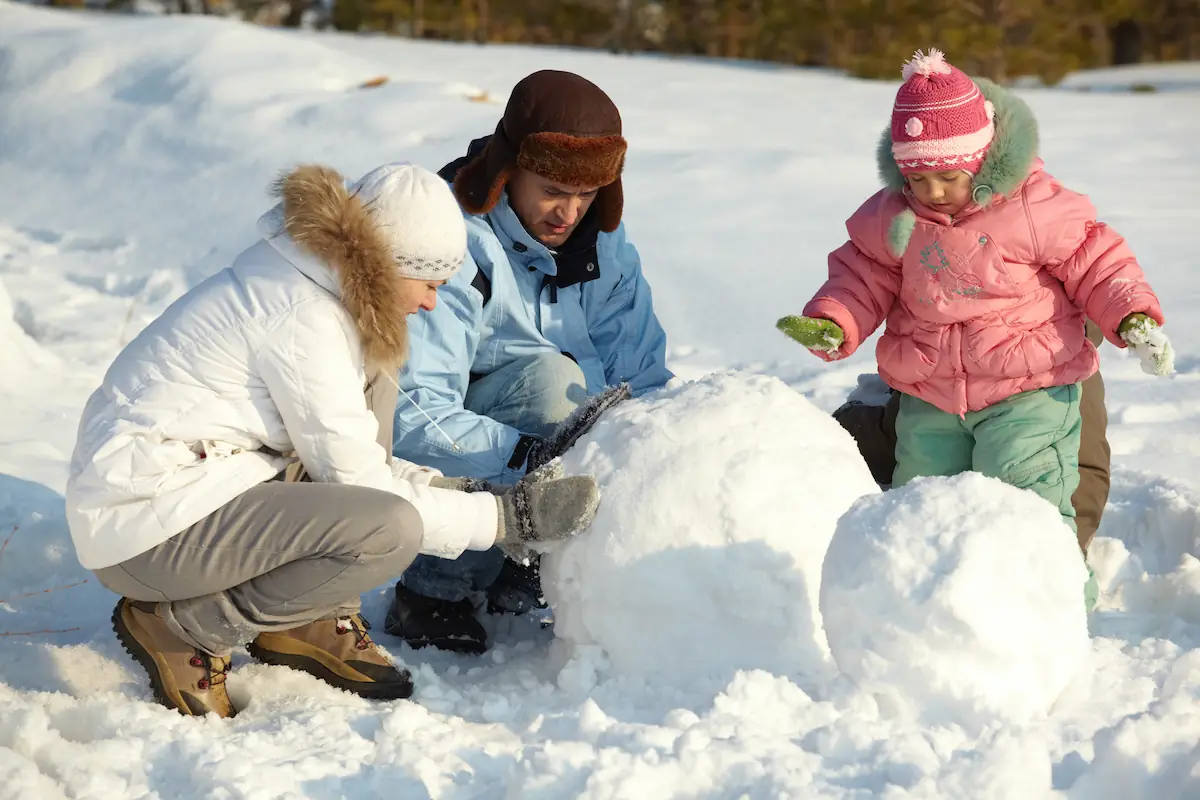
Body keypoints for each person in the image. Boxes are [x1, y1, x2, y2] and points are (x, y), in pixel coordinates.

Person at [65, 162, 600, 719]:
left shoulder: (317, 291)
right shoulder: (304, 318)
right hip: (142, 525)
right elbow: (364, 490)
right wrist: (500, 521)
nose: (431, 304)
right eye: (430, 285)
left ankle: (308, 615)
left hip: (198, 484)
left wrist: (465, 491)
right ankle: (184, 629)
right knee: (387, 530)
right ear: (391, 266)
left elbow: (357, 458)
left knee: (380, 380)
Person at [776, 48, 1174, 611]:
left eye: (948, 176)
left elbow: (1098, 261)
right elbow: (860, 277)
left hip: (1027, 389)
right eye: (918, 177)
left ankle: (1052, 611)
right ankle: (929, 610)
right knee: (922, 505)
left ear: (982, 159)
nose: (933, 191)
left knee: (1026, 502)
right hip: (931, 397)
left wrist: (1130, 315)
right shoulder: (894, 218)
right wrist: (832, 319)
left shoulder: (1034, 207)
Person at [385, 69, 674, 654]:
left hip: (547, 459)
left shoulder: (607, 250)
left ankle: (535, 570)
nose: (568, 213)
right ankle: (434, 592)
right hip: (456, 463)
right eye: (551, 190)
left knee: (608, 409)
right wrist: (530, 457)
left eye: (586, 195)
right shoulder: (453, 242)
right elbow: (411, 412)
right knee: (554, 386)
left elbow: (642, 379)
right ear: (509, 170)